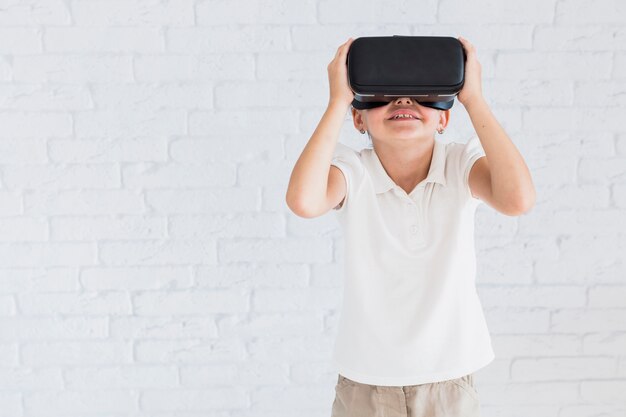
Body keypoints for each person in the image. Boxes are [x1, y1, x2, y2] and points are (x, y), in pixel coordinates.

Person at [285, 36, 535, 417]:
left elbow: (517, 199)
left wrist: (474, 99)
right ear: (358, 117)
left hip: (447, 380)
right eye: (382, 96)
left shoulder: (459, 164)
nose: (403, 102)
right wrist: (337, 101)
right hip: (365, 382)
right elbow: (304, 201)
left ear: (443, 117)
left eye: (421, 96)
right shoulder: (353, 171)